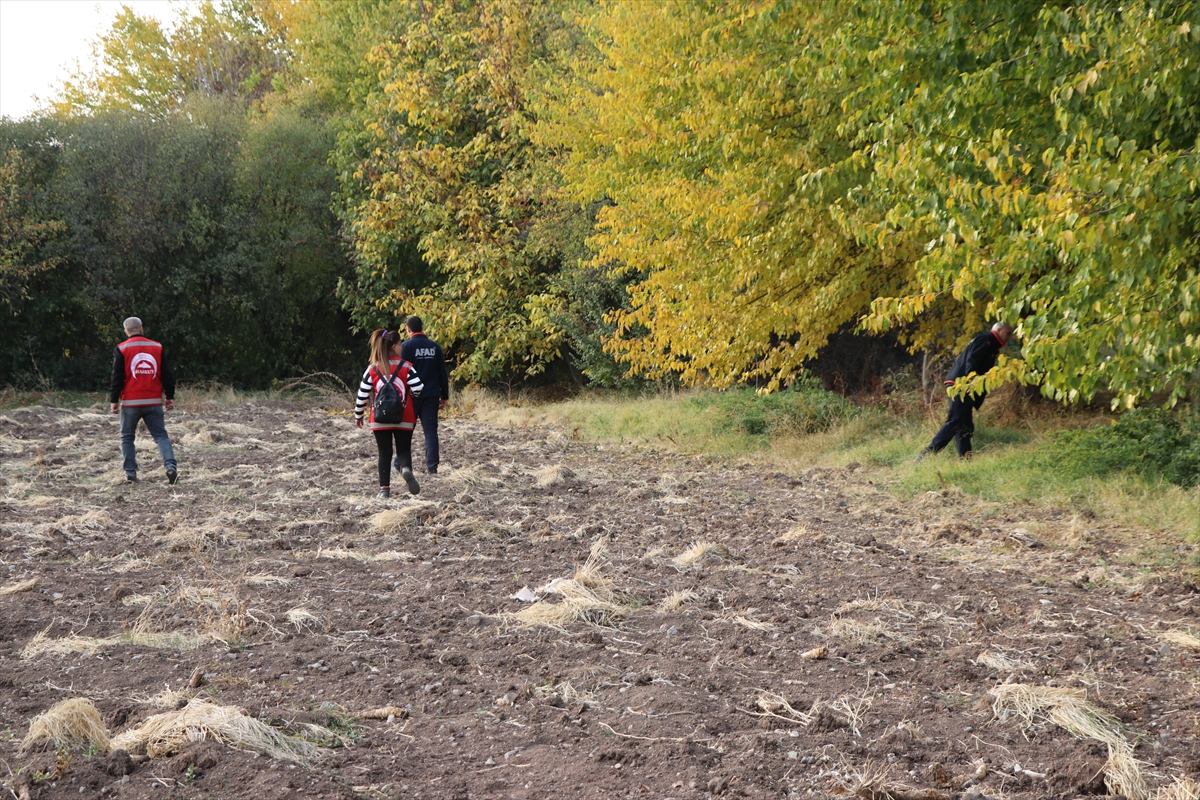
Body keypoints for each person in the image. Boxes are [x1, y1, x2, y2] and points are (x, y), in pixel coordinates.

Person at [916, 321, 1014, 460]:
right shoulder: (986, 340)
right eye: (1008, 333)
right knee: (955, 420)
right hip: (960, 386)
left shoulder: (991, 345)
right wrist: (970, 384)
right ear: (998, 330)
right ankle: (926, 455)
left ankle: (966, 459)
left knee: (965, 426)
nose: (1009, 337)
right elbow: (972, 361)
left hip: (963, 385)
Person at [355, 328, 425, 498]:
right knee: (404, 450)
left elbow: (362, 394)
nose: (401, 348)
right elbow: (418, 388)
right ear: (394, 347)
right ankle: (406, 468)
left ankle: (384, 490)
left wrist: (359, 415)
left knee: (384, 453)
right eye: (400, 345)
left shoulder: (372, 369)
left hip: (379, 418)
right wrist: (412, 395)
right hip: (404, 416)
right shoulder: (406, 366)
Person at [109, 317, 178, 484]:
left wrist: (114, 400)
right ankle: (170, 466)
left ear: (126, 332)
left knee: (127, 437)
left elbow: (117, 377)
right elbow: (167, 375)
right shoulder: (157, 347)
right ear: (141, 329)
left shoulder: (121, 348)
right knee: (161, 436)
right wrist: (169, 397)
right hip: (153, 401)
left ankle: (131, 474)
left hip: (130, 403)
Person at [398, 315, 449, 475]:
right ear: (422, 328)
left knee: (406, 431)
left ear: (408, 329)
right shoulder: (434, 347)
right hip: (431, 395)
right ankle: (432, 467)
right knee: (431, 431)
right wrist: (444, 395)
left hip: (411, 397)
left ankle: (400, 463)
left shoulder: (406, 347)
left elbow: (402, 372)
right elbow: (442, 373)